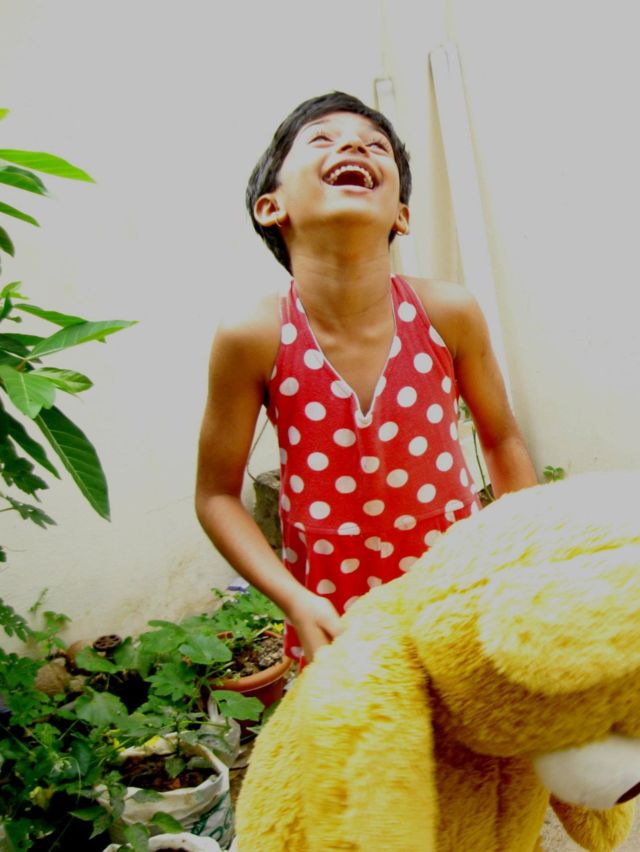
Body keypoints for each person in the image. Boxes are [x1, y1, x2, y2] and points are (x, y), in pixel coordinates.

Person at [195, 91, 537, 666]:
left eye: (377, 146)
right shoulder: (253, 335)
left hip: (454, 593)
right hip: (333, 617)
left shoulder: (448, 313)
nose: (355, 145)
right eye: (322, 139)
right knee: (361, 725)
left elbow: (502, 439)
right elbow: (215, 496)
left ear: (401, 214)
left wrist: (525, 557)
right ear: (271, 206)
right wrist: (294, 598)